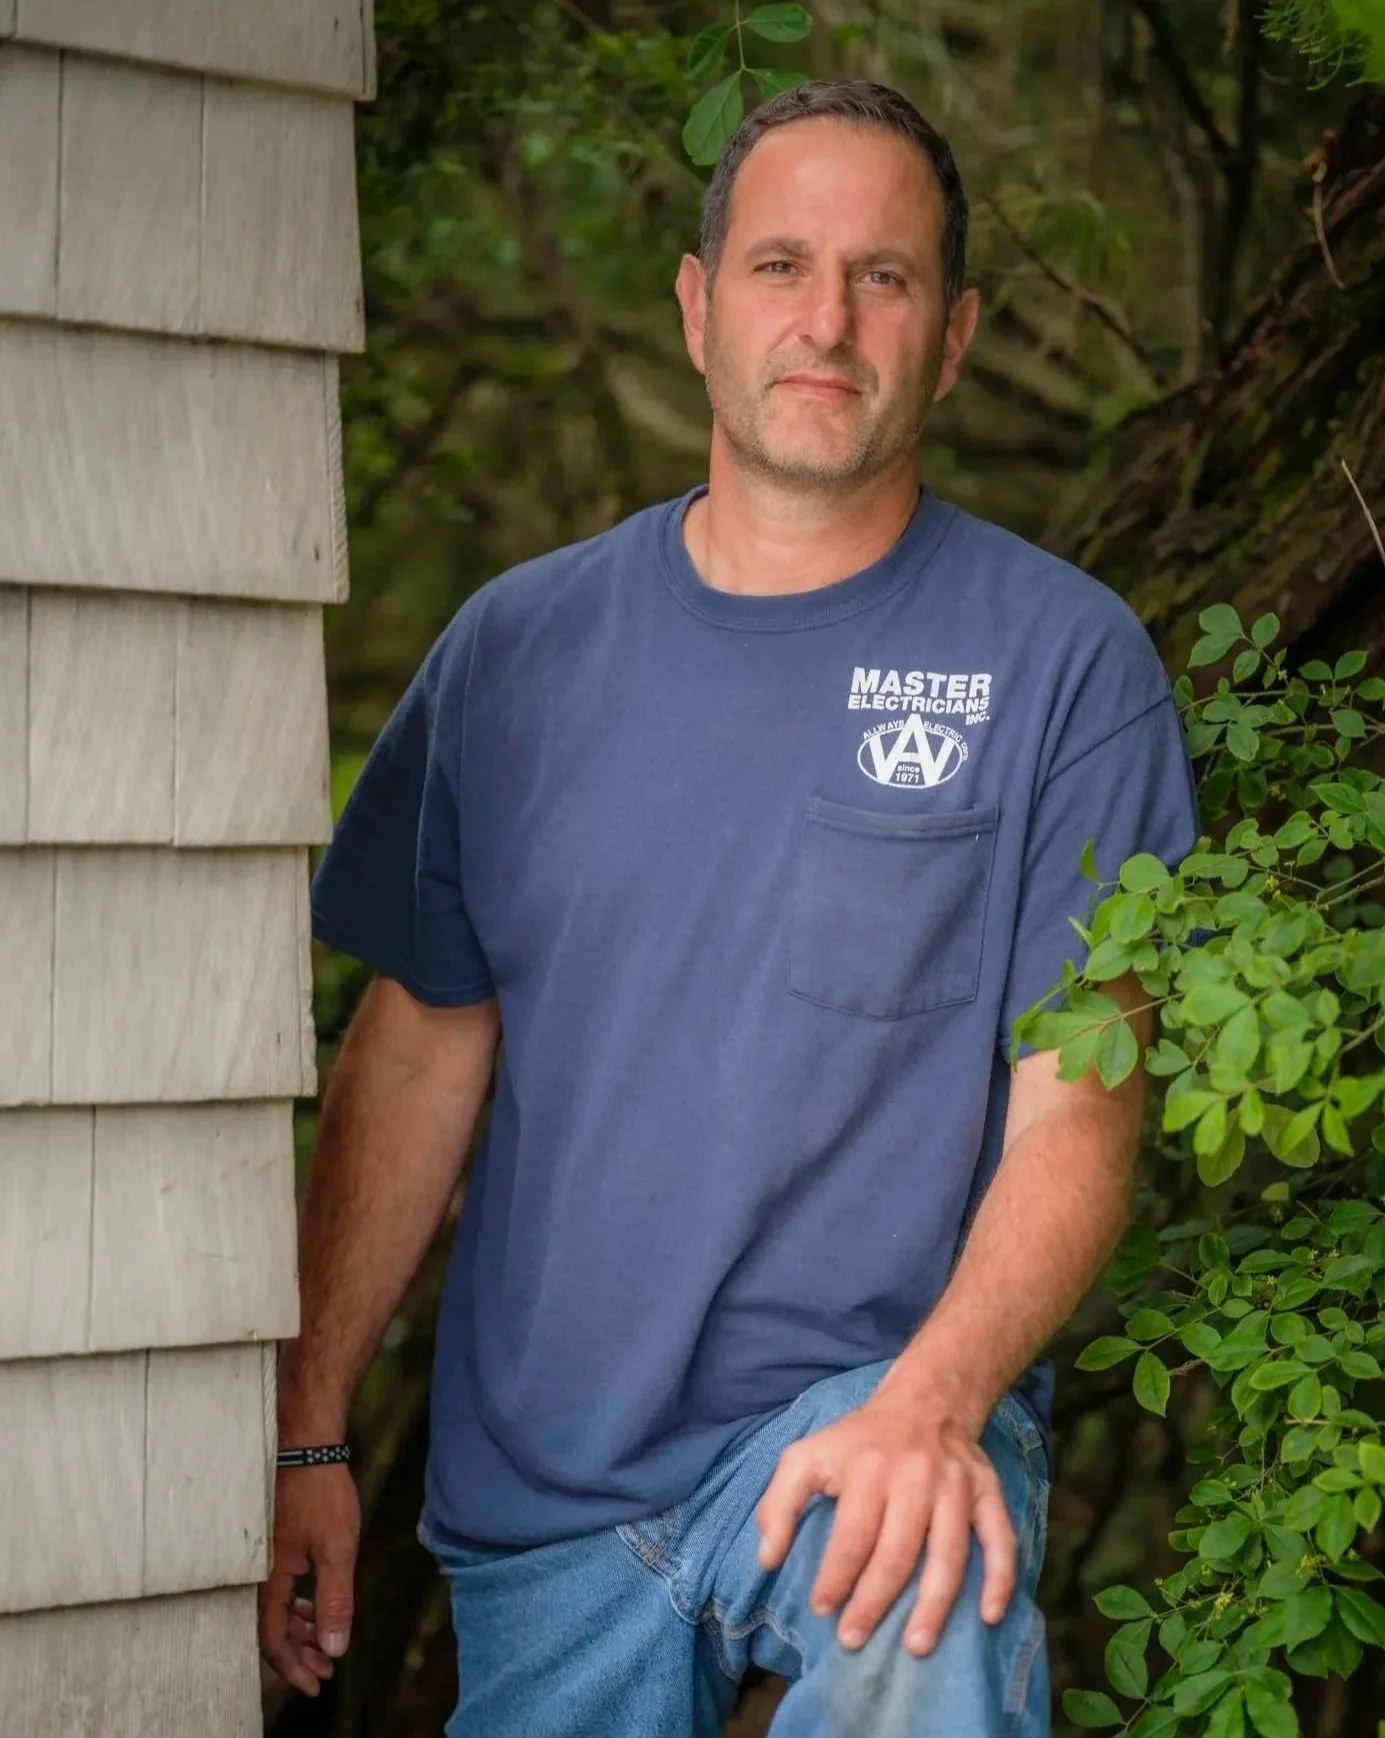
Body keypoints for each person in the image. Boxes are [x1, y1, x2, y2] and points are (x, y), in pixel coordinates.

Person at [258, 78, 1200, 1737]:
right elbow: (414, 1056)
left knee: (926, 1586)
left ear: (956, 333)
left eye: (884, 277)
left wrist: (936, 1404)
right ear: (697, 308)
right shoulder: (512, 654)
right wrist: (310, 1422)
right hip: (546, 1500)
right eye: (779, 265)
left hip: (860, 1425)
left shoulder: (1060, 667)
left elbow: (1081, 1106)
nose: (825, 318)